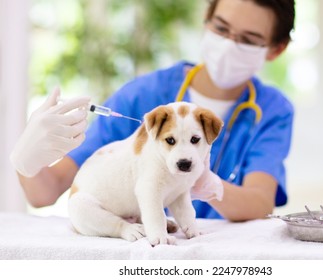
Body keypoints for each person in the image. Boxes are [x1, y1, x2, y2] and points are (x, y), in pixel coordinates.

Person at [10, 0, 295, 222]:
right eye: (221, 28)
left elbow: (260, 203)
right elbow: (45, 192)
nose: (229, 45)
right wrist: (25, 160)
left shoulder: (272, 111)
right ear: (206, 21)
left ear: (275, 49)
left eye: (247, 40)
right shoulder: (144, 95)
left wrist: (210, 186)